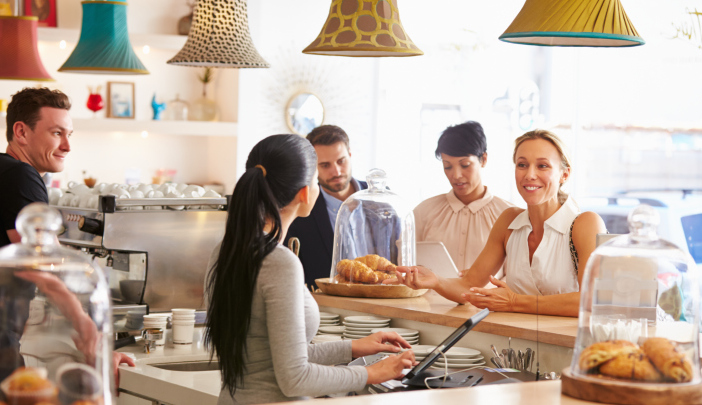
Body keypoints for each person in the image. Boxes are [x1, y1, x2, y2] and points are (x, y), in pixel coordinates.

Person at [206, 134, 416, 404]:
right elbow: (295, 377)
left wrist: (352, 347)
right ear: (305, 192)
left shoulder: (225, 250)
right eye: (317, 179)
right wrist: (372, 373)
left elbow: (271, 356)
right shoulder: (279, 262)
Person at [387, 129, 607, 317]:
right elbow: (468, 285)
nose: (530, 174)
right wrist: (435, 281)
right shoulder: (509, 220)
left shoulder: (585, 223)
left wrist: (514, 302)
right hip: (513, 345)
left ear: (564, 175)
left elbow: (592, 301)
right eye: (522, 165)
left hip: (565, 349)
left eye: (542, 166)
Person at [0, 87, 134, 382]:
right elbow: (48, 266)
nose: (67, 146)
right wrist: (91, 335)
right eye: (57, 133)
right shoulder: (21, 176)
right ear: (21, 132)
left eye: (69, 134)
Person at [413, 121, 513, 279]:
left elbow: (516, 276)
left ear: (484, 159)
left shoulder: (508, 215)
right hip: (430, 303)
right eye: (448, 166)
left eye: (465, 165)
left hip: (488, 304)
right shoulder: (423, 213)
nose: (456, 175)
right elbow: (406, 263)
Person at [284, 125, 368, 290]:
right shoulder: (300, 209)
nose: (336, 171)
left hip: (383, 303)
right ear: (312, 167)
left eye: (341, 161)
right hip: (326, 308)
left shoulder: (380, 199)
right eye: (325, 165)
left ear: (350, 155)